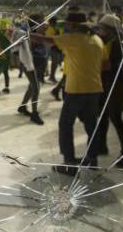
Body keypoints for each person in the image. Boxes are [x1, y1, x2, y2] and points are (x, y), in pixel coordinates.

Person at [33, 12, 104, 174]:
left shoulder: (73, 38)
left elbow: (45, 40)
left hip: (77, 89)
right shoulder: (97, 40)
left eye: (67, 24)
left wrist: (23, 34)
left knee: (65, 125)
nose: (65, 26)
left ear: (73, 25)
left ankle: (70, 164)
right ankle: (92, 159)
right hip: (95, 89)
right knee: (91, 125)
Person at [94, 14, 123, 167]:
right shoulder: (110, 41)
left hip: (115, 86)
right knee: (103, 115)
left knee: (116, 119)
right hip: (107, 85)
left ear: (110, 29)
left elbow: (115, 66)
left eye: (102, 27)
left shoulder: (118, 44)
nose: (100, 30)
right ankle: (102, 146)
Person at [12, 21, 44, 125]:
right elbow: (15, 47)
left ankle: (22, 106)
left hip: (33, 62)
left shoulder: (27, 32)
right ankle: (34, 113)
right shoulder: (22, 32)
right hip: (28, 63)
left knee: (32, 86)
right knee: (36, 87)